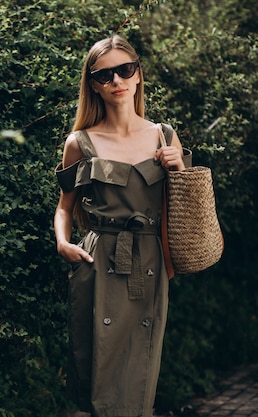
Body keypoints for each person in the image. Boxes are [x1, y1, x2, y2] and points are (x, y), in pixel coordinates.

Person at [53, 35, 191, 417]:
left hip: (149, 261)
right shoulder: (80, 142)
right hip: (98, 262)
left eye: (124, 70)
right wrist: (63, 243)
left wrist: (179, 168)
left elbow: (185, 207)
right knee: (96, 371)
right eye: (104, 75)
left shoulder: (164, 136)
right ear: (93, 84)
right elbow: (65, 207)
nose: (116, 81)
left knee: (139, 376)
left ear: (138, 75)